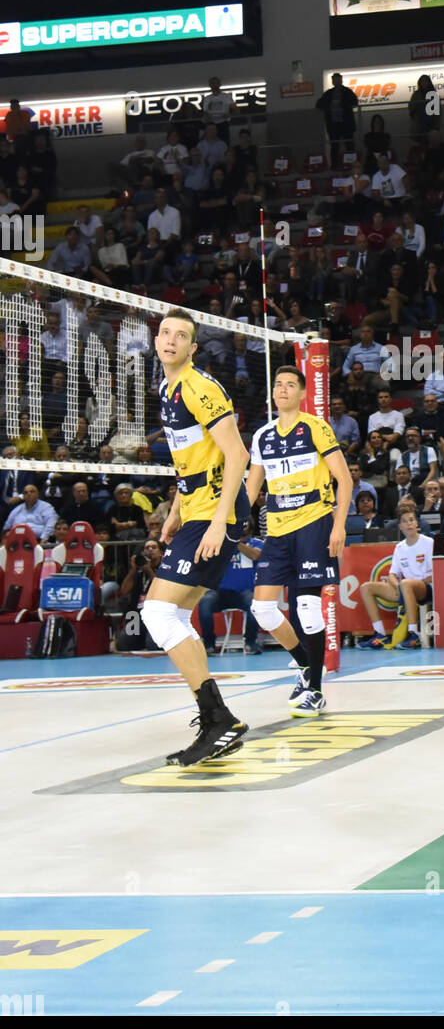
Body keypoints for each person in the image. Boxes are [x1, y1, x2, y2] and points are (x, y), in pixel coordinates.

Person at [140, 309, 251, 765]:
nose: (170, 340)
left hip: (217, 514)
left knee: (158, 615)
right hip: (198, 511)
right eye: (165, 332)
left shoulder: (200, 388)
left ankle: (218, 720)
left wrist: (219, 522)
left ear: (192, 348)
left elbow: (237, 455)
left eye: (180, 335)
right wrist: (178, 510)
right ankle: (216, 724)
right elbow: (193, 459)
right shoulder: (167, 389)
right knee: (177, 618)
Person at [245, 365, 351, 717]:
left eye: (291, 384)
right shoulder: (262, 435)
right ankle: (306, 665)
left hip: (313, 525)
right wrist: (225, 520)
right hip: (277, 531)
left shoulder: (315, 427)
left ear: (302, 392)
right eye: (278, 384)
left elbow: (344, 480)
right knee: (261, 609)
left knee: (306, 609)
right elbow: (251, 488)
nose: (283, 389)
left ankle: (317, 691)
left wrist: (339, 526)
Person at [358, 506, 433, 650]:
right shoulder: (399, 547)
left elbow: (433, 575)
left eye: (412, 520)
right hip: (405, 588)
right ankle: (380, 634)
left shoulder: (428, 542)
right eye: (405, 521)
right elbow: (393, 574)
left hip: (425, 588)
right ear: (400, 526)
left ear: (417, 523)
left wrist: (405, 586)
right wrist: (398, 586)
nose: (409, 523)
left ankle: (414, 634)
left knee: (406, 584)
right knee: (366, 587)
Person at [197, 528, 264, 656]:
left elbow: (256, 555)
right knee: (205, 602)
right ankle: (209, 644)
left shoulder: (256, 542)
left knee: (254, 605)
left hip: (244, 593)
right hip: (220, 593)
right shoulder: (221, 543)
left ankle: (250, 642)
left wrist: (236, 542)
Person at [315, 71, 360, 168]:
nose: (336, 82)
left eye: (338, 79)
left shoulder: (347, 92)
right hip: (334, 125)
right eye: (335, 80)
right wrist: (330, 105)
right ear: (332, 81)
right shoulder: (329, 94)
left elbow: (355, 101)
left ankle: (352, 165)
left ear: (341, 80)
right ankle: (335, 166)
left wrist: (341, 104)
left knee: (349, 146)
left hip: (346, 124)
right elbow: (318, 104)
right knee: (335, 147)